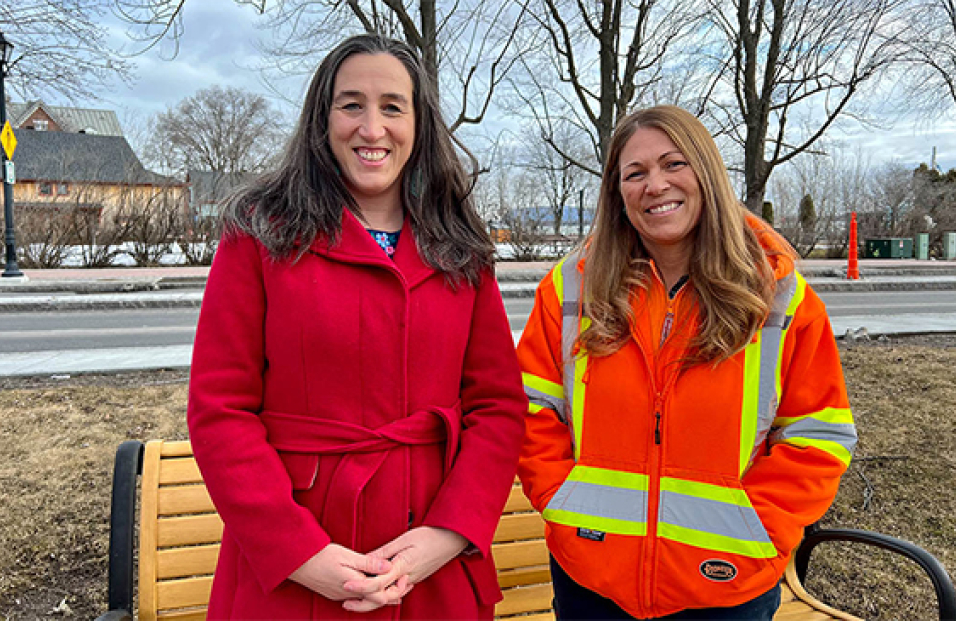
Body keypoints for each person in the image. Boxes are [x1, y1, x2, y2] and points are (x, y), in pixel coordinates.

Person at [187, 34, 527, 620]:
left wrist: (450, 532)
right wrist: (299, 552)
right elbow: (221, 408)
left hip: (430, 564)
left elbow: (497, 405)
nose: (372, 129)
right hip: (297, 563)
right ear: (323, 120)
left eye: (393, 107)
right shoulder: (261, 234)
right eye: (352, 105)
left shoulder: (461, 246)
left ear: (418, 124)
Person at [516, 105, 857, 620]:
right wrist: (563, 503)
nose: (655, 185)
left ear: (707, 174)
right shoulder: (571, 289)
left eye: (674, 164)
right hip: (591, 580)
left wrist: (755, 528)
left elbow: (818, 436)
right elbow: (530, 409)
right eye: (634, 173)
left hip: (728, 586)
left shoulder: (780, 295)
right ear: (617, 193)